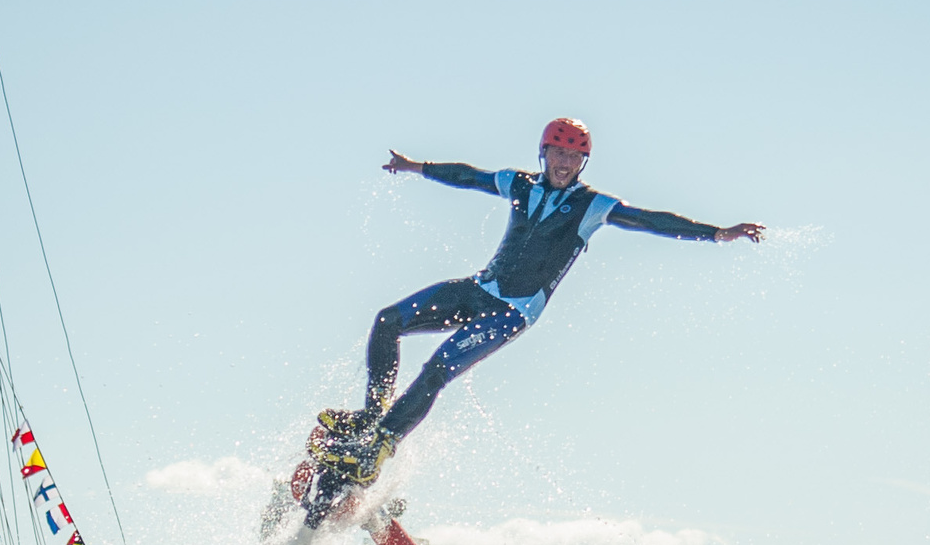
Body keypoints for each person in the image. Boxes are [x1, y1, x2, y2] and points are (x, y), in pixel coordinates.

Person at [312, 117, 765, 484]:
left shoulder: (593, 206)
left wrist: (716, 234)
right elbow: (469, 176)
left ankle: (379, 449)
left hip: (511, 312)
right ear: (543, 152)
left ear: (583, 162)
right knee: (388, 320)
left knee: (437, 368)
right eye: (558, 152)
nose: (565, 162)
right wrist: (416, 168)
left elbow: (650, 221)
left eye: (574, 156)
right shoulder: (520, 184)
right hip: (476, 289)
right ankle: (370, 418)